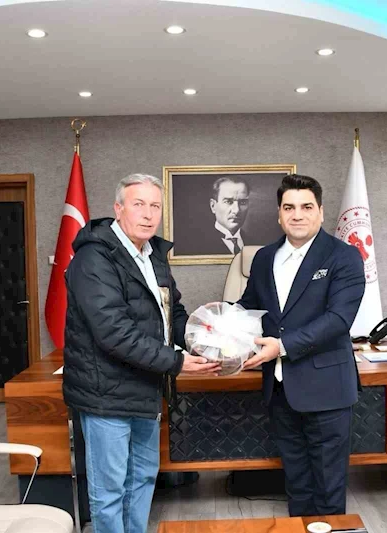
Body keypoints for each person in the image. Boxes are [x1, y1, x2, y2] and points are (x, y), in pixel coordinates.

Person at [62, 173, 220, 533]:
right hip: (106, 394)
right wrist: (178, 362)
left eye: (155, 206)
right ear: (118, 209)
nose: (148, 214)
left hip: (146, 388)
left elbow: (172, 313)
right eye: (139, 205)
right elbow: (113, 332)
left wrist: (204, 338)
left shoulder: (153, 255)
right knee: (109, 490)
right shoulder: (94, 259)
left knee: (143, 478)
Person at [238, 174, 366, 516]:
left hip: (327, 390)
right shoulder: (264, 257)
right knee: (297, 483)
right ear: (279, 215)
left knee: (328, 486)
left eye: (307, 207)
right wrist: (217, 324)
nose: (297, 215)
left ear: (321, 212)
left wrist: (281, 346)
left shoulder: (344, 256)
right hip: (281, 390)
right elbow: (249, 307)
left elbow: (338, 320)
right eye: (289, 207)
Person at [203, 176, 252, 255]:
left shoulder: (255, 244)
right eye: (228, 202)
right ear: (213, 206)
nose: (236, 210)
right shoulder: (198, 245)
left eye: (243, 202)